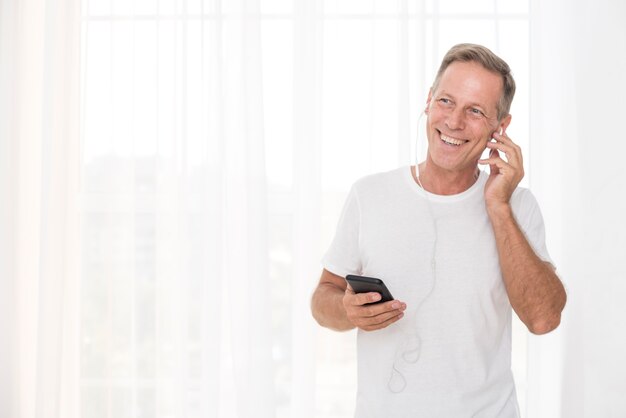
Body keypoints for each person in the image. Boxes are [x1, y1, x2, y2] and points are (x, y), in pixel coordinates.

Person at [310, 43, 567, 417]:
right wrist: (348, 311)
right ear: (428, 101)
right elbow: (322, 300)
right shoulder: (370, 195)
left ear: (501, 126)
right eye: (446, 101)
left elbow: (544, 318)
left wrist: (497, 207)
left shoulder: (517, 205)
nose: (454, 122)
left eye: (475, 111)